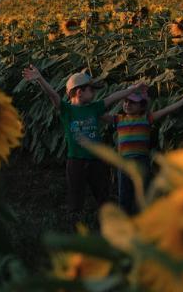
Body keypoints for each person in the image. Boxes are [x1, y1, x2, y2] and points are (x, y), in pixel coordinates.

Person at [22, 65, 147, 212]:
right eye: (91, 90)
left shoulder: (94, 108)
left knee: (102, 195)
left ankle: (106, 221)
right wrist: (40, 79)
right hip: (76, 161)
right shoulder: (67, 110)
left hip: (96, 160)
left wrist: (133, 89)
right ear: (79, 92)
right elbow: (53, 95)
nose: (94, 93)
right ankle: (77, 223)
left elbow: (113, 97)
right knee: (76, 197)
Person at [105, 84, 183, 214]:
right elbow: (98, 113)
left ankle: (143, 217)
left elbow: (166, 110)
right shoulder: (118, 119)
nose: (127, 105)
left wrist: (182, 101)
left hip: (141, 161)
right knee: (124, 193)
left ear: (142, 105)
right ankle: (124, 218)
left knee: (142, 193)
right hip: (124, 162)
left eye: (132, 103)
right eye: (125, 102)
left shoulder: (146, 118)